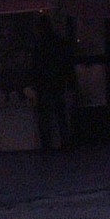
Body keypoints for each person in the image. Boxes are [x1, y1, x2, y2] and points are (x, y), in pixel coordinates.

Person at [33, 16, 76, 152]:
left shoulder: (40, 46)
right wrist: (70, 83)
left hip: (45, 84)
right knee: (60, 115)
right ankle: (65, 142)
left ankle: (47, 145)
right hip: (57, 83)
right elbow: (67, 65)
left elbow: (36, 66)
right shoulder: (59, 44)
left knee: (45, 116)